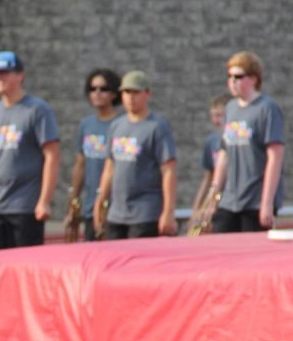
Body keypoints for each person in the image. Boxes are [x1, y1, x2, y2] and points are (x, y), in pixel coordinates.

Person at [0, 50, 59, 249]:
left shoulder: (37, 110)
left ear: (20, 75)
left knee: (26, 269)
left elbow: (52, 155)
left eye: (4, 72)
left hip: (25, 207)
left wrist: (44, 201)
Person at [93, 71, 177, 239]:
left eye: (136, 92)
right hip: (117, 213)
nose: (131, 98)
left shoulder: (157, 127)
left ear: (147, 94)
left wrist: (168, 212)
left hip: (145, 213)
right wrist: (100, 202)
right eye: (126, 92)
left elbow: (168, 171)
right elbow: (109, 169)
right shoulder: (116, 126)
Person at [209, 51, 284, 232]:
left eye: (238, 77)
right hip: (230, 200)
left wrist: (266, 203)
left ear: (253, 78)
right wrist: (213, 196)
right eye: (230, 77)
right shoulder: (231, 108)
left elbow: (275, 156)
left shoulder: (267, 108)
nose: (232, 82)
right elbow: (224, 154)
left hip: (255, 200)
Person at [70, 69, 120, 241]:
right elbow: (80, 164)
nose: (97, 93)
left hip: (115, 208)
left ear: (114, 93)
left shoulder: (121, 124)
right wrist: (73, 201)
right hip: (90, 206)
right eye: (93, 89)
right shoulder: (86, 124)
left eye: (103, 89)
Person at [191, 93, 229, 217]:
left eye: (219, 115)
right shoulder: (212, 141)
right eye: (212, 116)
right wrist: (197, 208)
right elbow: (208, 177)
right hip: (217, 197)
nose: (215, 120)